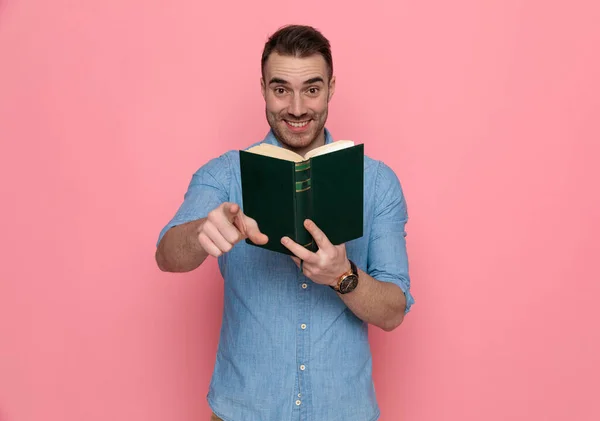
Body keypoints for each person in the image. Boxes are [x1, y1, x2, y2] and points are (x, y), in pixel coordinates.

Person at [155, 24, 415, 421]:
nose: (296, 108)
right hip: (242, 412)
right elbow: (167, 255)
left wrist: (343, 275)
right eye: (281, 90)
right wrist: (201, 232)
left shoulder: (378, 183)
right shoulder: (224, 175)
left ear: (330, 87)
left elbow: (393, 312)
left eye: (311, 89)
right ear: (262, 89)